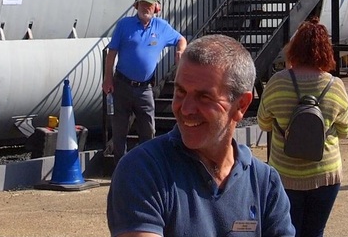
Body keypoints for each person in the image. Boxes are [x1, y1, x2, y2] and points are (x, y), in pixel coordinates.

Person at [107, 34, 294, 237]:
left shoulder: (264, 183)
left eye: (204, 97)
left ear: (241, 105)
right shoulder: (143, 171)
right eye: (180, 92)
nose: (186, 109)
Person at [257, 19, 348, 237]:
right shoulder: (335, 86)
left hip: (285, 174)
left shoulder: (277, 82)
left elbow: (263, 123)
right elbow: (345, 131)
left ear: (294, 48)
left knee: (287, 231)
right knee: (315, 231)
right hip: (325, 174)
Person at [102, 0, 186, 165]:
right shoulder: (124, 25)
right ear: (136, 6)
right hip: (122, 84)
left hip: (145, 88)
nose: (145, 8)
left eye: (149, 5)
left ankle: (146, 167)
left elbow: (181, 39)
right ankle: (119, 168)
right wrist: (107, 78)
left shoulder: (161, 27)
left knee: (148, 130)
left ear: (156, 8)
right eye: (142, 4)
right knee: (119, 130)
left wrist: (180, 50)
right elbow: (111, 53)